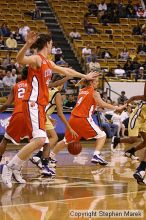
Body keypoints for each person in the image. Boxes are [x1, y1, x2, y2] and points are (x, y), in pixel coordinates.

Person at [1, 31, 98, 188]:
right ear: (48, 43)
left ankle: (17, 168)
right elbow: (20, 59)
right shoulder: (38, 59)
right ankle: (10, 166)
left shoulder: (48, 62)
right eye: (52, 43)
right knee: (40, 140)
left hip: (40, 106)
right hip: (32, 103)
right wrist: (27, 45)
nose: (53, 45)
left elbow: (67, 71)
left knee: (41, 141)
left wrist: (84, 76)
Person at [47, 76, 126, 175]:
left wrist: (87, 76)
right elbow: (103, 104)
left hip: (73, 119)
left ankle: (51, 156)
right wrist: (117, 107)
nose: (98, 83)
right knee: (102, 136)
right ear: (91, 83)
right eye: (96, 81)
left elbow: (81, 86)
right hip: (83, 119)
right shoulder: (94, 92)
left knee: (65, 141)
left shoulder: (82, 90)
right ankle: (96, 155)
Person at [31, 74, 78, 172]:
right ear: (60, 83)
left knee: (45, 139)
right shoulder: (57, 94)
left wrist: (49, 117)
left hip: (37, 114)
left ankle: (43, 159)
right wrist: (69, 128)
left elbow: (44, 106)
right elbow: (60, 114)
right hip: (42, 116)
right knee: (54, 137)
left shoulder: (47, 89)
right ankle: (39, 156)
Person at [111, 82, 146, 184]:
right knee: (133, 139)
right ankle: (117, 139)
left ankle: (131, 152)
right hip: (136, 118)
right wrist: (125, 104)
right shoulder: (144, 97)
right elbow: (135, 97)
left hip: (144, 120)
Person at [0, 67, 29, 183]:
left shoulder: (15, 86)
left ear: (21, 75)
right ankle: (17, 167)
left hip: (17, 114)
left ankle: (12, 167)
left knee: (5, 140)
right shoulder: (35, 85)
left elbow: (6, 104)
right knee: (34, 143)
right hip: (30, 115)